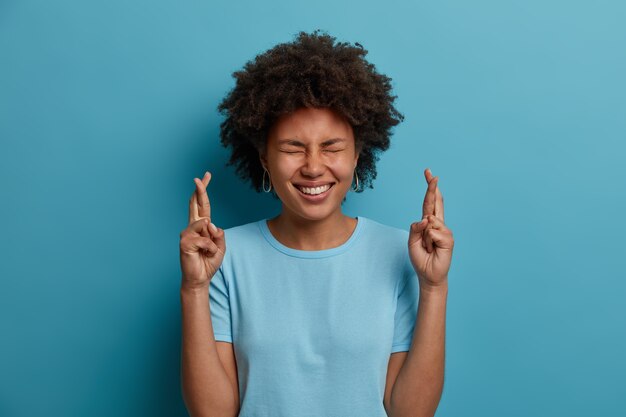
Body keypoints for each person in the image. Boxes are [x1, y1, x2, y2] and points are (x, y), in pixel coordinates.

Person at [179, 30, 454, 417]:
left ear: (358, 154)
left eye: (332, 147)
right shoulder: (223, 258)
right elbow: (213, 413)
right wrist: (193, 287)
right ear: (263, 158)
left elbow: (411, 412)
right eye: (292, 147)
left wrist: (434, 286)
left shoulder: (404, 254)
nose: (312, 166)